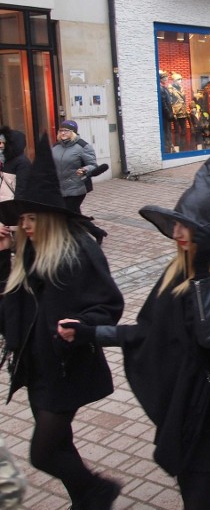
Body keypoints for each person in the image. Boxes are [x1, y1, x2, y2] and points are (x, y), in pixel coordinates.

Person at [62, 147, 210, 509]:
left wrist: (203, 277)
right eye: (175, 224)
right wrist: (90, 334)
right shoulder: (176, 273)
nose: (176, 234)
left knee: (198, 500)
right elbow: (147, 334)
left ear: (204, 237)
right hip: (183, 407)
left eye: (185, 228)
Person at [0, 135, 124, 510]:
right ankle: (85, 500)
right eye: (20, 220)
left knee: (42, 453)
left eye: (31, 218)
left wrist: (80, 326)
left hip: (68, 366)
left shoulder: (78, 249)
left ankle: (98, 491)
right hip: (37, 366)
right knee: (60, 443)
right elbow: (7, 311)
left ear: (51, 217)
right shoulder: (26, 252)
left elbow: (110, 305)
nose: (25, 225)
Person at [51, 120, 97, 214]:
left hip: (76, 188)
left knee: (68, 213)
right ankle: (82, 227)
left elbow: (93, 165)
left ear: (73, 132)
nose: (63, 133)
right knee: (72, 214)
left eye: (66, 130)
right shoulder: (55, 147)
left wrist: (85, 170)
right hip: (59, 188)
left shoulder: (83, 146)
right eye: (61, 130)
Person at [0, 127, 31, 204]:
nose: (1, 145)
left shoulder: (23, 162)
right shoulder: (4, 159)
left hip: (10, 206)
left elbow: (22, 189)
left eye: (3, 142)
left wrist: (17, 207)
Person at [159, 71, 175, 152]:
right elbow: (164, 103)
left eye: (166, 77)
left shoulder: (164, 88)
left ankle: (169, 147)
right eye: (164, 78)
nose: (166, 79)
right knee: (166, 131)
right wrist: (168, 113)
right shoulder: (161, 88)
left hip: (167, 114)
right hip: (165, 115)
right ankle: (167, 148)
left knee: (168, 131)